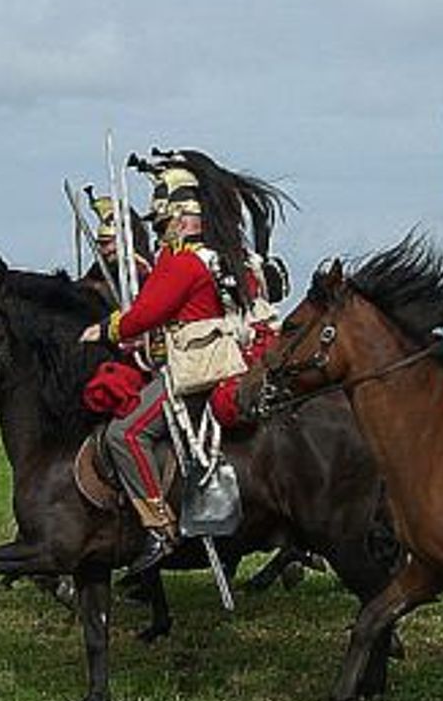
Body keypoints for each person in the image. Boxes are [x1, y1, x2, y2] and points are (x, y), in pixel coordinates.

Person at [80, 150, 289, 573]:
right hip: (233, 360)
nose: (161, 232)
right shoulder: (232, 257)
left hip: (198, 368)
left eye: (162, 222)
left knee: (126, 433)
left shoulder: (184, 263)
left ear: (176, 217)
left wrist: (105, 330)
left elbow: (146, 314)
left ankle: (158, 527)